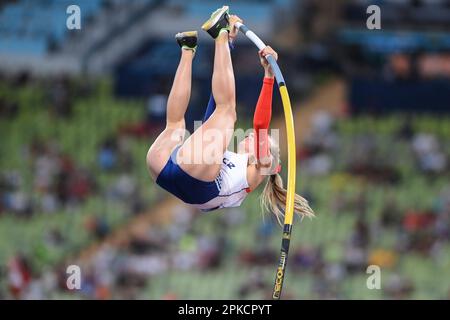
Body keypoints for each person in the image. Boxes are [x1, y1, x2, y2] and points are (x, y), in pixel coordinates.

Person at [146, 6, 314, 223]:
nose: (252, 136)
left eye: (262, 141)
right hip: (169, 172)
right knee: (176, 125)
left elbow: (260, 125)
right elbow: (213, 113)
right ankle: (188, 50)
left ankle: (218, 34)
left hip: (187, 179)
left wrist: (268, 76)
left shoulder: (261, 167)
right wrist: (228, 47)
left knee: (227, 112)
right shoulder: (226, 160)